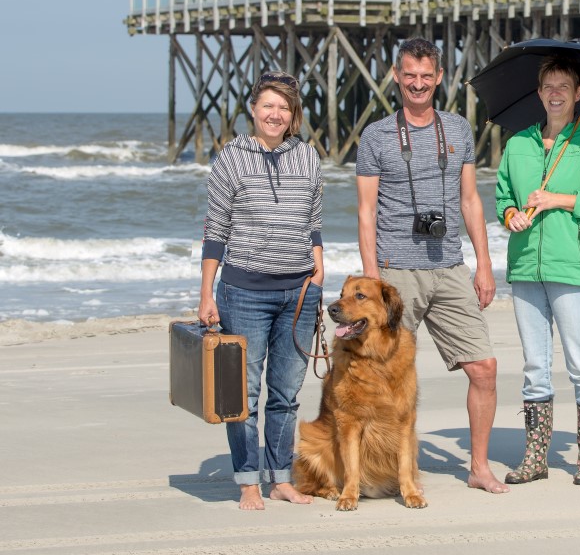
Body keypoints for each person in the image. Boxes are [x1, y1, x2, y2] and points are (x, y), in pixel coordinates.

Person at [355, 37, 507, 494]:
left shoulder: (458, 129)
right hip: (395, 272)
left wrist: (483, 264)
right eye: (409, 76)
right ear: (396, 77)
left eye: (426, 76)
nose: (417, 84)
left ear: (439, 77)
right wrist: (370, 284)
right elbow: (365, 212)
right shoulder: (377, 136)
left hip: (449, 268)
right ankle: (378, 470)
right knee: (383, 376)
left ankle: (478, 468)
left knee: (484, 368)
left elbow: (470, 200)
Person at [495, 55, 580, 486]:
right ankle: (536, 458)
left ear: (577, 95)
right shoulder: (518, 145)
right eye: (548, 86)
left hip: (571, 266)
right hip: (524, 267)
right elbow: (501, 198)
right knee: (535, 365)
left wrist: (560, 200)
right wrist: (512, 213)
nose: (555, 93)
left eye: (563, 87)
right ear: (539, 93)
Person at [197, 70, 324, 511]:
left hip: (300, 293)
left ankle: (281, 478)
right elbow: (215, 230)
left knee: (286, 394)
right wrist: (206, 294)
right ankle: (249, 479)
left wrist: (318, 272)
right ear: (253, 110)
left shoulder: (307, 156)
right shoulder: (230, 158)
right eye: (268, 105)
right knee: (244, 395)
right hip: (244, 292)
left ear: (293, 116)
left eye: (284, 108)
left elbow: (313, 222)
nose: (275, 114)